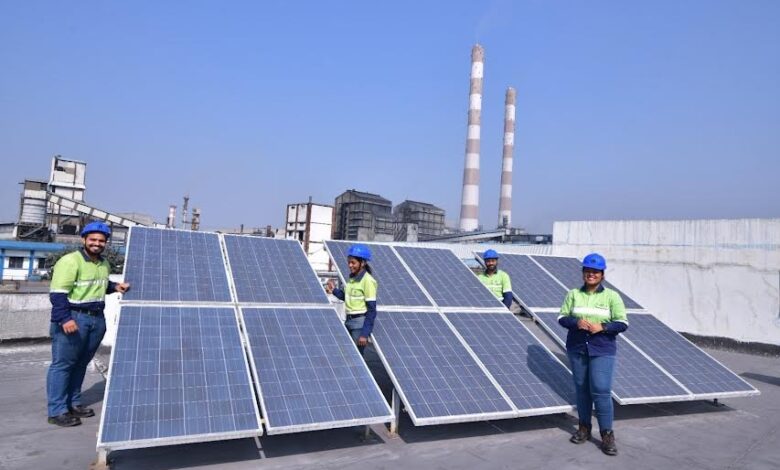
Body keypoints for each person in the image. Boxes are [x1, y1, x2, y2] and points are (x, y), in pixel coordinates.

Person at [46, 222, 130, 427]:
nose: (97, 243)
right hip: (74, 318)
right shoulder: (70, 261)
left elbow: (100, 285)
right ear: (84, 239)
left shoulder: (104, 263)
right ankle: (57, 411)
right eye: (93, 239)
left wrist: (115, 287)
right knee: (63, 365)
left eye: (101, 241)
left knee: (81, 363)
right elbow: (58, 294)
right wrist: (65, 319)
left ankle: (74, 403)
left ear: (106, 243)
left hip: (96, 319)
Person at [558, 253, 628, 456]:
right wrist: (576, 322)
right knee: (582, 389)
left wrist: (603, 327)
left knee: (601, 390)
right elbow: (562, 317)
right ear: (583, 272)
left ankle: (607, 434)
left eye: (596, 271)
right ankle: (584, 428)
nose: (591, 274)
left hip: (602, 348)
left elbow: (622, 323)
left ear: (602, 274)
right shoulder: (573, 294)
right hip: (577, 347)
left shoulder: (612, 296)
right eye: (588, 270)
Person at [324, 244, 377, 356]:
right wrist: (334, 290)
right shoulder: (352, 279)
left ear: (363, 263)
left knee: (356, 356)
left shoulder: (368, 281)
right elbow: (347, 297)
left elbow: (372, 310)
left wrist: (364, 334)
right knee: (346, 354)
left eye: (353, 262)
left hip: (359, 325)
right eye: (349, 262)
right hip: (348, 321)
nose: (350, 265)